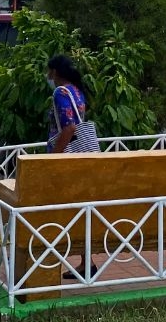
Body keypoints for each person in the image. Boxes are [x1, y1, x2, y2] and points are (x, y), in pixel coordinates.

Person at [45, 53, 96, 280]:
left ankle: (50, 261)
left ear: (55, 72)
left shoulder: (60, 93)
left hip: (66, 159)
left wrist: (54, 158)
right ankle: (87, 263)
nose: (48, 76)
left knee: (65, 212)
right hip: (82, 159)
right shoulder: (77, 90)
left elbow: (69, 128)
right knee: (79, 211)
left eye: (49, 72)